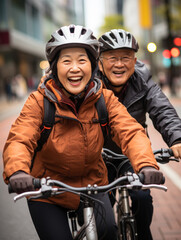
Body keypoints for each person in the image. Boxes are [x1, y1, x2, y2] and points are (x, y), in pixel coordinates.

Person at [3, 25, 164, 240]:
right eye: (66, 61)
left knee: (109, 233)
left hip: (93, 185)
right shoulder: (38, 102)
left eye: (82, 60)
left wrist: (146, 164)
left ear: (92, 65)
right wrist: (18, 172)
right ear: (55, 67)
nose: (75, 68)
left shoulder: (104, 99)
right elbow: (19, 139)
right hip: (47, 189)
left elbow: (131, 132)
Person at [97, 28, 181, 240]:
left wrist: (177, 138)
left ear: (135, 61)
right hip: (96, 156)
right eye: (112, 58)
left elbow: (162, 109)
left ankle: (143, 233)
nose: (119, 64)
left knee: (142, 197)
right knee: (100, 213)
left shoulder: (143, 80)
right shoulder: (90, 83)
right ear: (99, 62)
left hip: (133, 154)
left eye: (126, 58)